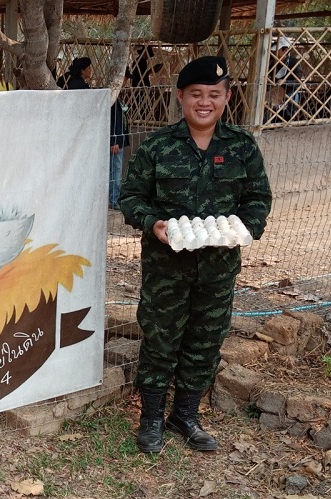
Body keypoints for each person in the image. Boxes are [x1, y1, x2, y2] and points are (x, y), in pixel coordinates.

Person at [119, 56, 272, 454]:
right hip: (166, 267)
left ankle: (185, 416)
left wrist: (246, 228)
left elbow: (258, 198)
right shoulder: (158, 146)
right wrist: (152, 222)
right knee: (160, 340)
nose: (205, 102)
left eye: (214, 94)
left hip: (218, 268)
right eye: (196, 94)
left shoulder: (241, 147)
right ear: (181, 96)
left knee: (206, 341)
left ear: (227, 97)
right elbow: (130, 197)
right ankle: (151, 419)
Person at [108, 70, 131, 210]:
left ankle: (115, 197)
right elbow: (110, 121)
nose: (126, 82)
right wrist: (113, 140)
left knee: (116, 169)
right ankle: (114, 199)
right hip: (115, 141)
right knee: (115, 170)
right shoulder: (111, 97)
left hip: (119, 139)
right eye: (125, 79)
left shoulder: (116, 96)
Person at [269, 35, 302, 122]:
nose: (274, 53)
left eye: (277, 50)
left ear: (285, 51)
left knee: (290, 100)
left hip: (289, 91)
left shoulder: (294, 63)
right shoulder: (272, 62)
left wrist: (286, 81)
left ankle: (287, 119)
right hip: (275, 90)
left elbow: (298, 82)